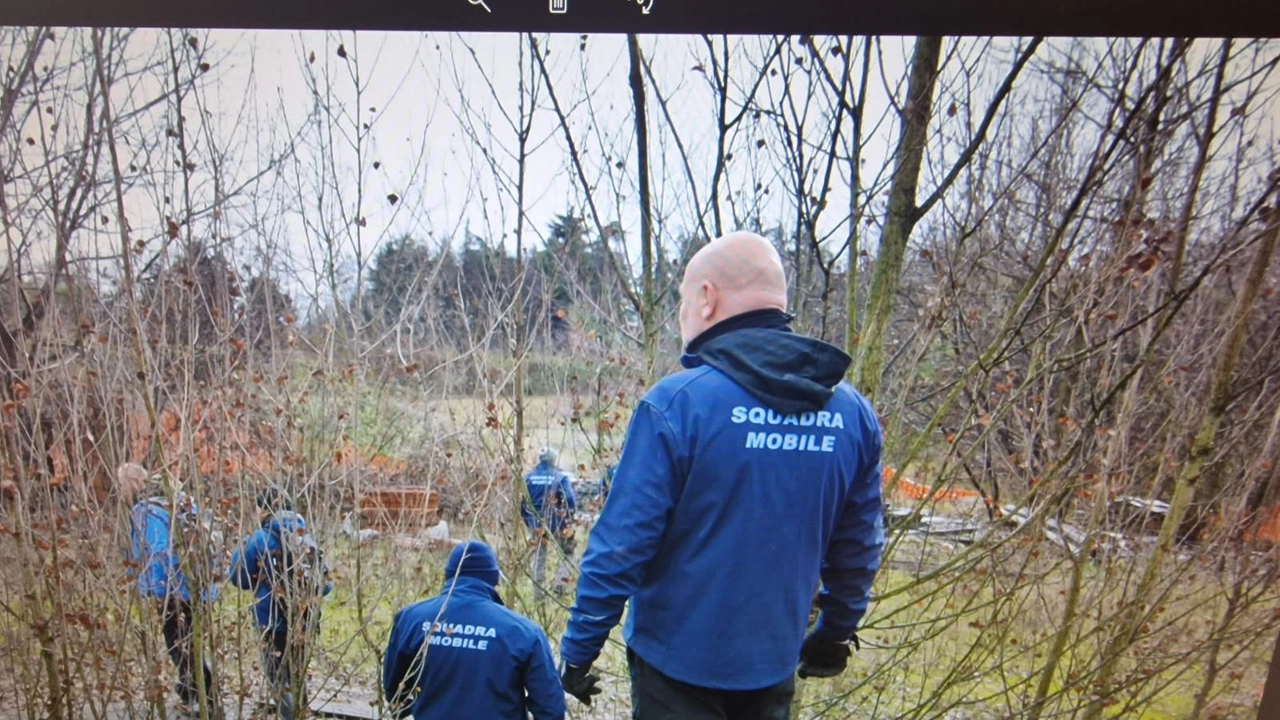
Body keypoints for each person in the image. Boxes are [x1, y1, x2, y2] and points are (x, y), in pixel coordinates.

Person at [558, 231, 886, 719]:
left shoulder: (678, 405)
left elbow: (621, 545)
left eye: (683, 301)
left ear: (707, 299)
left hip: (673, 669)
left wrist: (579, 650)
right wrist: (835, 630)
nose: (682, 315)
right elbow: (859, 545)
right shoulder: (851, 414)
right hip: (771, 665)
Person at [382, 541, 566, 720]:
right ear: (494, 578)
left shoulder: (410, 620)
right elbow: (550, 709)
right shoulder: (523, 632)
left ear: (449, 576)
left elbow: (395, 692)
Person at [229, 485, 332, 720]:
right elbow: (325, 585)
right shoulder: (307, 538)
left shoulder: (257, 539)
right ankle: (301, 713)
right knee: (297, 675)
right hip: (304, 621)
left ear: (263, 509)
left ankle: (290, 717)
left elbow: (239, 579)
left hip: (270, 622)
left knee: (277, 679)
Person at [124, 466, 219, 717]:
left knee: (179, 645)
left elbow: (156, 552)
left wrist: (155, 591)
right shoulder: (182, 503)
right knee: (189, 643)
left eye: (121, 483)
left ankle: (201, 697)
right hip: (197, 587)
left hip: (173, 590)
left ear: (134, 482)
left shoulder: (147, 511)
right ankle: (195, 693)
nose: (119, 490)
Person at [520, 448, 578, 596]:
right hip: (557, 522)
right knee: (567, 553)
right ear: (553, 460)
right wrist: (568, 517)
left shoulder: (528, 478)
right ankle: (559, 584)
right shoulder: (560, 477)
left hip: (536, 523)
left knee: (539, 556)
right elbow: (570, 499)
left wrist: (529, 521)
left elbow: (523, 503)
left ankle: (538, 593)